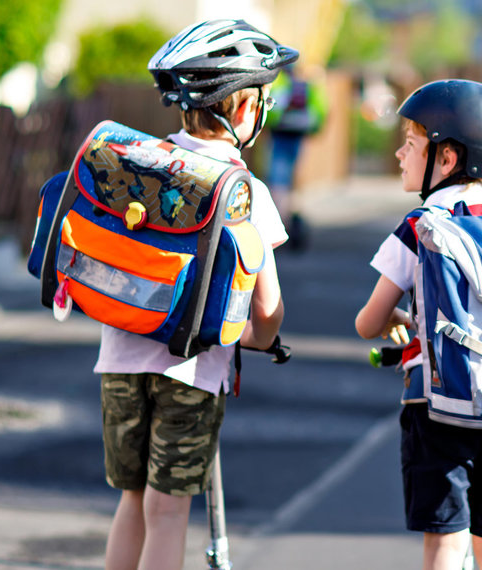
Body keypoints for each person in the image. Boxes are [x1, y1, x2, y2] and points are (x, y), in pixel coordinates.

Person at [98, 19, 294, 570]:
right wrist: (257, 339)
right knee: (168, 513)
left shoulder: (139, 164)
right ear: (241, 109)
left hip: (119, 359)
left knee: (132, 499)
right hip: (193, 371)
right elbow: (267, 308)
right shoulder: (244, 191)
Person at [354, 79, 482, 570]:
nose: (398, 153)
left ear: (446, 158)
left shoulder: (420, 227)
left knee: (447, 542)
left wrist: (396, 317)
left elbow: (368, 322)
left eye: (410, 144)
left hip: (438, 403)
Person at [264, 66, 327, 251]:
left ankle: (281, 225)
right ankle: (293, 218)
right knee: (292, 179)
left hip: (280, 133)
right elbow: (320, 111)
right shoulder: (308, 85)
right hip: (299, 134)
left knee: (278, 180)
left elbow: (271, 110)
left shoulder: (279, 84)